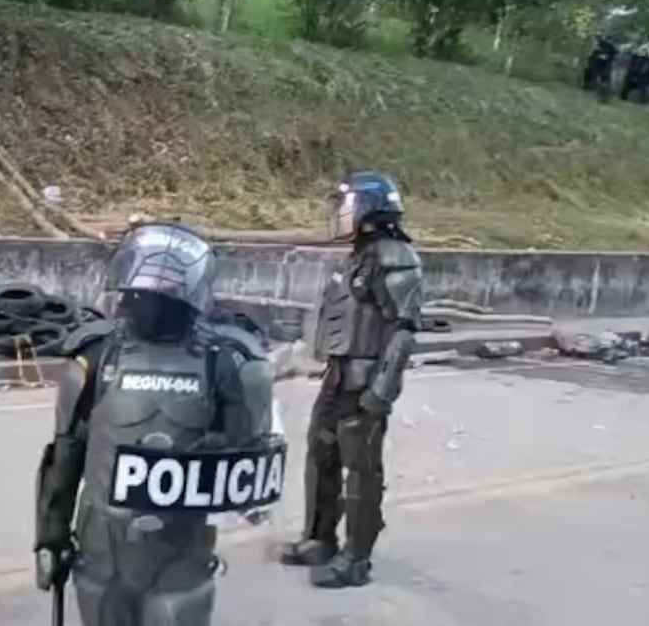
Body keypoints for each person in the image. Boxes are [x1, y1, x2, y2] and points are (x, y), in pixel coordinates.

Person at [33, 221, 283, 626]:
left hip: (182, 557)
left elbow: (247, 463)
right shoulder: (96, 353)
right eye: (147, 278)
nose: (152, 290)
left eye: (166, 280)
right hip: (101, 551)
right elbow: (65, 454)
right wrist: (49, 537)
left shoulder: (226, 361)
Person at [278, 171, 423, 589]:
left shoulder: (394, 257)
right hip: (338, 376)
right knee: (321, 456)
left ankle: (356, 559)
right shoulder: (361, 256)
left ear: (368, 210)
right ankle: (319, 539)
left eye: (348, 205)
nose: (341, 213)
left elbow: (403, 331)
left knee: (361, 470)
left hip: (363, 381)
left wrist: (382, 391)